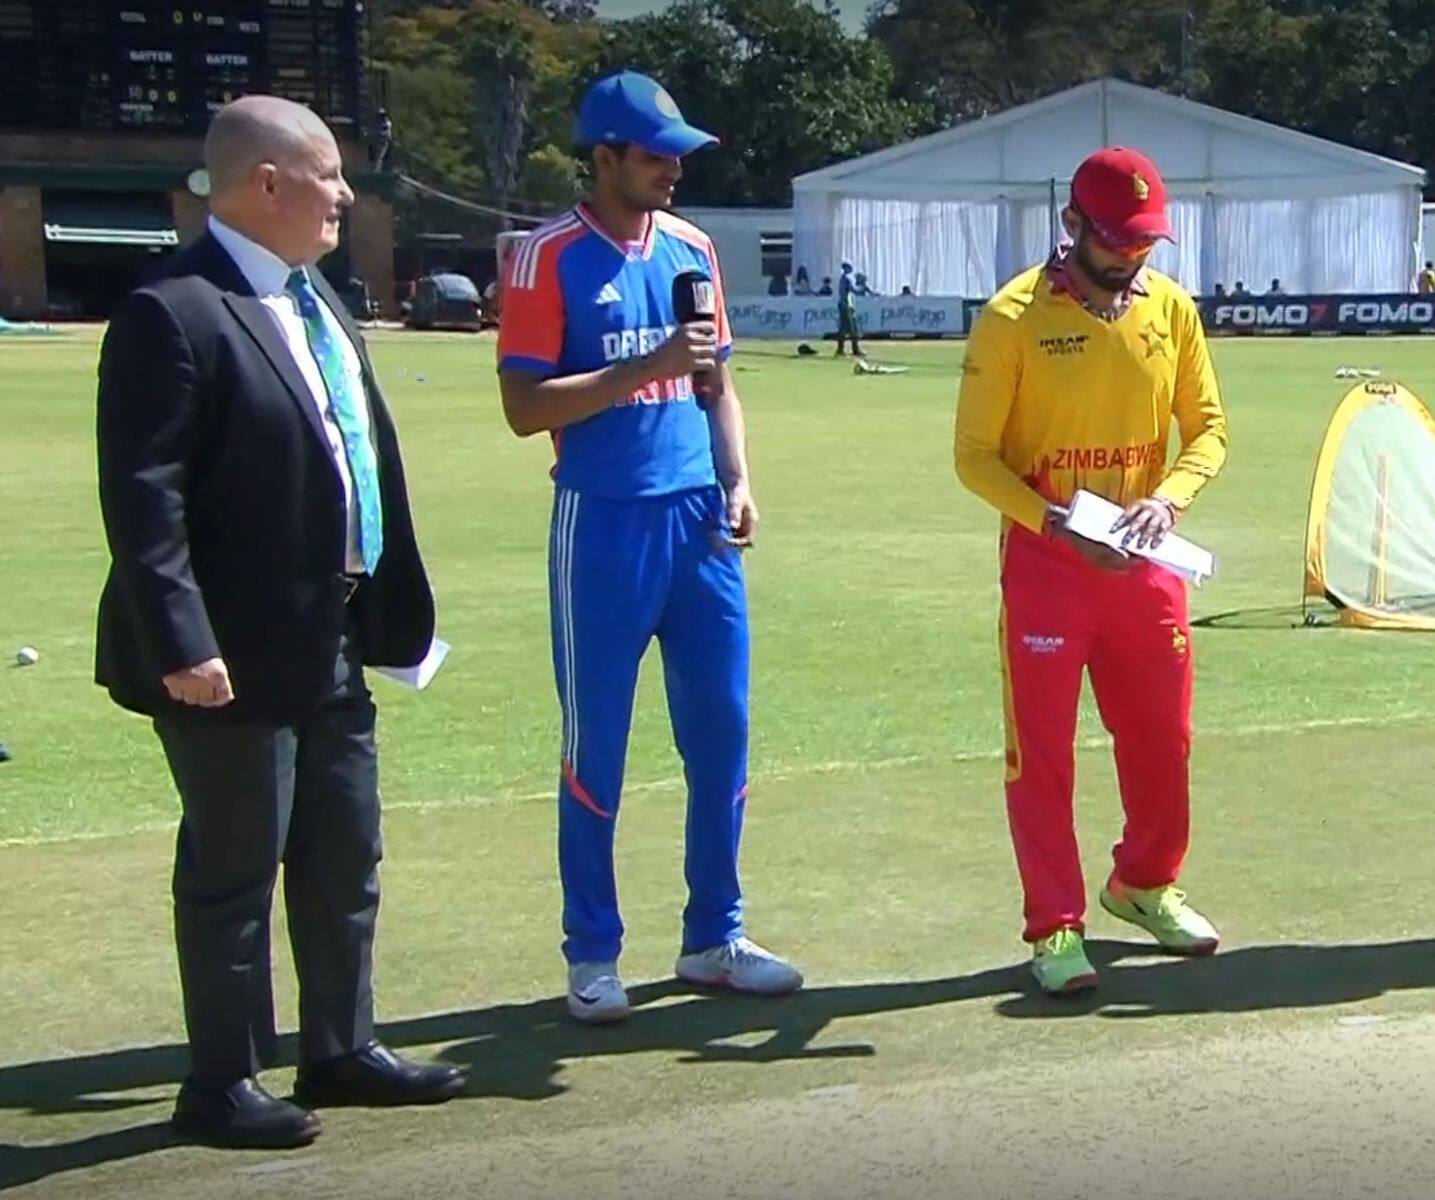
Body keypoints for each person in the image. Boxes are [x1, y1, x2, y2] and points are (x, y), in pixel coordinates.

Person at [94, 96, 463, 1150]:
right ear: (266, 184)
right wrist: (183, 640)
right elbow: (144, 496)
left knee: (345, 855)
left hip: (335, 638)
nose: (347, 194)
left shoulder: (318, 302)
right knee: (233, 870)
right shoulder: (172, 311)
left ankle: (340, 1049)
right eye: (329, 175)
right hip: (229, 654)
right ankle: (221, 1082)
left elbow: (351, 457)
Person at [496, 70, 801, 1024]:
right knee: (600, 746)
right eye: (655, 154)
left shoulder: (694, 247)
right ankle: (592, 952)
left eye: (677, 154)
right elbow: (522, 407)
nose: (673, 169)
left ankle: (715, 934)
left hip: (701, 521)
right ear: (604, 159)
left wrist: (740, 478)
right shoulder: (545, 258)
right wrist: (647, 366)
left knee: (723, 737)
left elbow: (718, 383)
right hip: (604, 521)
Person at [953, 146, 1228, 994]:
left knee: (1163, 741)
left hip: (1145, 558)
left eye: (1147, 242)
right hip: (1047, 558)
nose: (1133, 259)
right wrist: (1055, 522)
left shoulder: (1172, 310)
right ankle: (1054, 926)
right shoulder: (1012, 319)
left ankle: (1143, 883)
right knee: (1043, 752)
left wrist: (1169, 501)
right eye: (1118, 241)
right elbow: (974, 459)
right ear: (1072, 225)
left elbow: (1210, 429)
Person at [834, 261, 863, 357]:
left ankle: (840, 349)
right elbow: (854, 291)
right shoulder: (847, 279)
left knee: (843, 328)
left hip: (843, 305)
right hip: (846, 306)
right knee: (853, 329)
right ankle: (855, 350)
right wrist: (862, 288)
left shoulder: (842, 279)